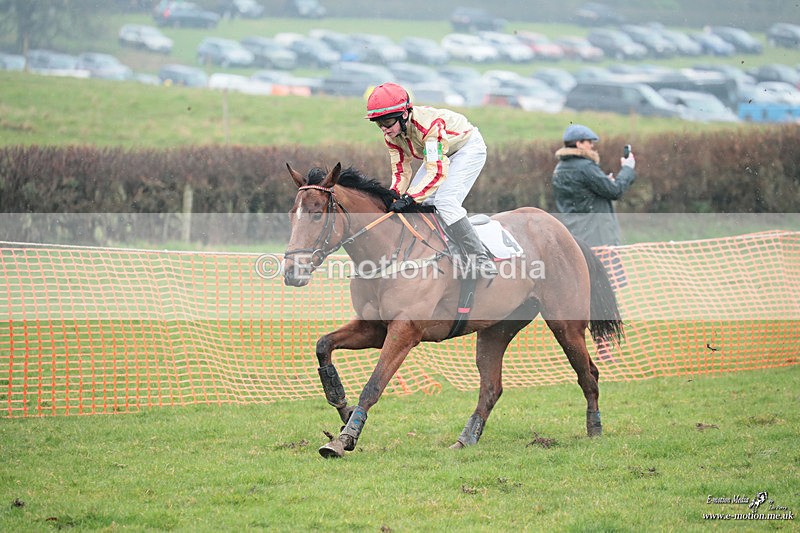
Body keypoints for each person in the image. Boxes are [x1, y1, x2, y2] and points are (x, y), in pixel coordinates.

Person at [365, 82, 497, 278]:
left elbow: (436, 172)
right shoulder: (392, 134)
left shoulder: (428, 126)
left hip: (466, 149)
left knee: (445, 202)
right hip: (438, 155)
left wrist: (410, 198)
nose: (384, 129)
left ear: (404, 115)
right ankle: (444, 249)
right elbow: (401, 170)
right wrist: (393, 195)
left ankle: (480, 257)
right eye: (379, 124)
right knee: (425, 201)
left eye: (387, 122)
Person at [551, 124, 636, 248]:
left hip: (574, 236)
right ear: (578, 144)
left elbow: (580, 194)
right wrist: (627, 168)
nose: (592, 145)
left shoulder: (559, 169)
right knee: (610, 267)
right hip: (598, 237)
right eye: (589, 142)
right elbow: (615, 191)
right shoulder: (586, 167)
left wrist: (604, 182)